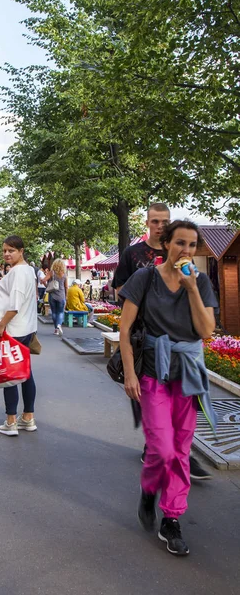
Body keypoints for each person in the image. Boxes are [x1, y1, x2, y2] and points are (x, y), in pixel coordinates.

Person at [119, 220, 218, 556]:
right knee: (160, 450)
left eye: (192, 245)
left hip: (187, 377)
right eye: (179, 243)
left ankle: (172, 519)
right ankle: (149, 490)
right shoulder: (145, 278)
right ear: (166, 245)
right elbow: (125, 328)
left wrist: (191, 288)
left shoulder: (200, 283)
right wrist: (130, 374)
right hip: (153, 373)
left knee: (180, 450)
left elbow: (206, 331)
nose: (185, 250)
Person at [114, 202, 212, 481]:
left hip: (182, 352)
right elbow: (120, 288)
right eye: (155, 221)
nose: (159, 226)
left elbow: (201, 314)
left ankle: (176, 457)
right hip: (148, 345)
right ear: (147, 223)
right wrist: (142, 298)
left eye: (164, 221)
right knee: (156, 411)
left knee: (179, 421)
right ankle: (157, 453)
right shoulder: (133, 254)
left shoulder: (185, 256)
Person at [0, 235, 37, 436]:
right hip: (26, 328)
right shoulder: (29, 271)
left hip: (14, 330)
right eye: (4, 250)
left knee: (9, 375)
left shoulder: (19, 272)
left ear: (21, 251)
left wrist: (1, 325)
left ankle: (11, 421)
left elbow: (15, 305)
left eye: (11, 250)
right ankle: (28, 417)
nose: (6, 254)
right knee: (25, 374)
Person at [43, 259, 68, 336]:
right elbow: (66, 286)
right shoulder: (64, 274)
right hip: (61, 295)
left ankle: (56, 330)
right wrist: (66, 296)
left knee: (54, 312)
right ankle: (58, 326)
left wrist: (47, 286)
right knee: (60, 312)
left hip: (52, 295)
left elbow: (43, 280)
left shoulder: (52, 273)